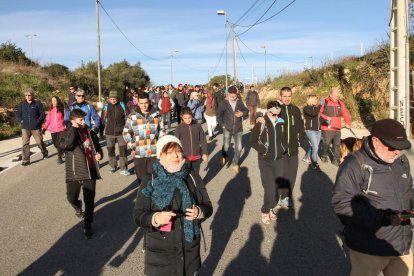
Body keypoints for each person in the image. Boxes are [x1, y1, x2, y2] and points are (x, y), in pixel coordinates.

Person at [332, 119, 413, 276]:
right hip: (368, 248)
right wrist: (381, 218)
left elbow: (409, 191)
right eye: (392, 147)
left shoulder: (401, 161)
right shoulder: (355, 164)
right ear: (375, 141)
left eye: (401, 148)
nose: (397, 152)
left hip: (400, 245)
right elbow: (341, 204)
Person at [133, 135, 213, 276]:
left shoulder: (192, 176)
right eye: (169, 152)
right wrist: (155, 218)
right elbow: (138, 215)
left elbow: (207, 206)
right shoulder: (150, 180)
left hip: (188, 248)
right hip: (160, 250)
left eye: (178, 150)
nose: (175, 155)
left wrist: (199, 212)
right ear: (160, 155)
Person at [59, 109, 103, 239]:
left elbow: (98, 148)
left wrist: (100, 154)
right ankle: (77, 207)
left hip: (90, 171)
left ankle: (87, 225)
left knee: (89, 200)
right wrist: (74, 128)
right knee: (71, 197)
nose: (84, 122)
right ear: (73, 121)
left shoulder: (90, 132)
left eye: (85, 119)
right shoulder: (66, 132)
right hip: (75, 172)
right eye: (81, 120)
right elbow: (67, 145)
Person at [250, 101, 287, 224]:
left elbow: (285, 139)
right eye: (274, 114)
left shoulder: (282, 123)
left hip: (279, 159)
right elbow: (253, 141)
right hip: (265, 160)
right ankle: (265, 210)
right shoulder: (262, 122)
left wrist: (283, 148)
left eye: (278, 114)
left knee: (277, 188)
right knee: (269, 188)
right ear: (268, 111)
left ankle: (271, 207)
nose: (277, 117)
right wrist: (263, 149)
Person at [123, 92, 161, 183]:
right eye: (141, 103)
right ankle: (143, 197)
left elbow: (162, 131)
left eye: (146, 103)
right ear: (138, 103)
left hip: (153, 153)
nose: (144, 106)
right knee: (142, 181)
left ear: (149, 102)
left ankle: (152, 197)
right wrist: (132, 145)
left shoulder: (157, 115)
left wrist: (159, 145)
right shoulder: (132, 116)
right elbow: (125, 132)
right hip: (139, 153)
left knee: (153, 180)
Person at [216, 85, 249, 173]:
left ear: (236, 94)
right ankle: (223, 156)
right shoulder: (224, 103)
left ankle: (235, 163)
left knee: (239, 147)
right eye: (231, 93)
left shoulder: (239, 102)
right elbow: (218, 115)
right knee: (226, 145)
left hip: (238, 129)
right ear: (228, 93)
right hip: (227, 128)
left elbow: (246, 111)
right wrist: (222, 125)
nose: (233, 95)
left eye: (234, 93)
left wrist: (242, 113)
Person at [320, 87, 351, 166]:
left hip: (337, 128)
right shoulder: (323, 101)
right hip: (327, 127)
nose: (336, 98)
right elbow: (319, 113)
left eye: (337, 96)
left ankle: (336, 160)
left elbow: (345, 113)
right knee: (326, 143)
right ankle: (324, 155)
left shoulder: (340, 103)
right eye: (335, 96)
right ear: (330, 94)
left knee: (337, 145)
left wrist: (348, 123)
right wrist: (327, 119)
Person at [17, 88, 48, 166]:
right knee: (25, 143)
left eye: (29, 95)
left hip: (36, 127)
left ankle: (44, 152)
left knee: (39, 142)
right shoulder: (21, 104)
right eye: (26, 95)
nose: (27, 97)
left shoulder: (37, 103)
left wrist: (37, 122)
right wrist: (21, 120)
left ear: (32, 95)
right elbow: (18, 114)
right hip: (25, 127)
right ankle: (26, 160)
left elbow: (42, 114)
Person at [101, 90, 129, 175]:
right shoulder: (106, 106)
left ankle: (124, 168)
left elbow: (129, 116)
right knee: (110, 150)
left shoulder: (122, 105)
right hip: (109, 132)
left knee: (123, 150)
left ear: (117, 98)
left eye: (114, 99)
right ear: (109, 99)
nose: (113, 100)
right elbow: (102, 119)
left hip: (121, 132)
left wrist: (127, 129)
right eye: (111, 99)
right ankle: (113, 166)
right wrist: (100, 130)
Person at [175, 107, 208, 174]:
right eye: (185, 118)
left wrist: (205, 153)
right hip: (184, 158)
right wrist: (177, 156)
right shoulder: (179, 128)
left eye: (189, 117)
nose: (188, 120)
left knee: (195, 175)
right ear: (182, 117)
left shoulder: (197, 126)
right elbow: (176, 143)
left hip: (196, 157)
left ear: (192, 116)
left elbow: (203, 140)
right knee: (185, 176)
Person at [42, 96, 66, 164]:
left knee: (58, 143)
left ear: (58, 101)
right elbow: (48, 120)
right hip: (53, 130)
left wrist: (66, 123)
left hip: (61, 129)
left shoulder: (62, 109)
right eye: (52, 101)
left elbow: (66, 118)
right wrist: (44, 128)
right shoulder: (51, 110)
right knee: (55, 144)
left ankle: (59, 158)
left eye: (55, 100)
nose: (54, 102)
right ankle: (63, 151)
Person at [303, 94, 322, 171]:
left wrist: (326, 121)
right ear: (310, 100)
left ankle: (306, 157)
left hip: (318, 130)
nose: (316, 101)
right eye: (314, 99)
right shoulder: (306, 108)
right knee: (315, 147)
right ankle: (314, 163)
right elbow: (313, 114)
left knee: (314, 146)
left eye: (316, 99)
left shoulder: (316, 108)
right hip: (310, 130)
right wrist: (320, 105)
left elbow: (318, 118)